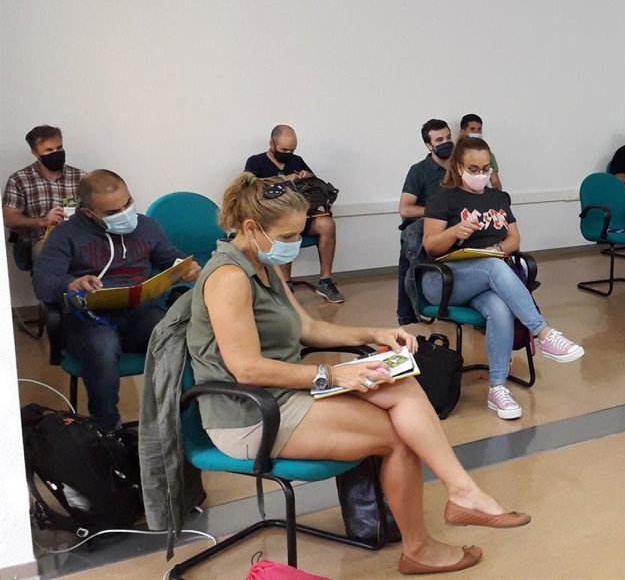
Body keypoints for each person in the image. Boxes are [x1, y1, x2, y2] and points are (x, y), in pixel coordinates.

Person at [188, 174, 526, 575]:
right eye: (289, 235)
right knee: (397, 437)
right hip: (249, 414)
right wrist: (332, 376)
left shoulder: (262, 265)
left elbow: (308, 328)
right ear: (250, 228)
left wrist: (374, 333)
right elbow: (247, 369)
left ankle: (462, 492)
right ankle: (420, 548)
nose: (295, 243)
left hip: (285, 390)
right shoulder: (228, 278)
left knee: (399, 383)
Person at [422, 137, 584, 420]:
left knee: (499, 308)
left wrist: (495, 250)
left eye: (486, 168)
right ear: (459, 167)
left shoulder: (498, 198)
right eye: (473, 169)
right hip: (444, 281)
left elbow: (514, 239)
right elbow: (430, 246)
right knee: (493, 267)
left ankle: (497, 388)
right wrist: (454, 232)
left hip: (483, 279)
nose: (481, 174)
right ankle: (543, 333)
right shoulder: (443, 198)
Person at [33, 169, 201, 429]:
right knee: (102, 344)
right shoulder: (65, 234)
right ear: (89, 213)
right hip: (87, 318)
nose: (124, 214)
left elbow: (171, 258)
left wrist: (186, 268)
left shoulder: (146, 226)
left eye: (127, 204)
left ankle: (179, 416)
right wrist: (71, 283)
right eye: (112, 212)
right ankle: (108, 427)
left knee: (175, 332)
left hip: (138, 312)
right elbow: (43, 282)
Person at [243, 124, 342, 303]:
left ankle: (326, 281)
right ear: (272, 144)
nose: (289, 153)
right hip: (272, 220)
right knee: (285, 226)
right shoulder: (255, 162)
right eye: (284, 150)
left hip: (303, 216)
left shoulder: (297, 161)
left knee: (327, 224)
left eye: (292, 150)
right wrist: (283, 179)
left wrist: (307, 175)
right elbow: (248, 187)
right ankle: (285, 283)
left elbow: (314, 183)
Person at [396, 119, 453, 324]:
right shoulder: (419, 170)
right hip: (424, 226)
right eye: (439, 140)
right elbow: (405, 209)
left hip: (454, 224)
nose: (446, 142)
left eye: (448, 137)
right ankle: (410, 313)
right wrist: (436, 214)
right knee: (415, 240)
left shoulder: (459, 167)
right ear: (429, 145)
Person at [3, 125, 85, 258]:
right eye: (49, 150)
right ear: (35, 153)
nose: (56, 153)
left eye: (59, 148)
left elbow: (96, 210)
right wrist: (43, 221)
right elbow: (9, 219)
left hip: (79, 238)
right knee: (52, 253)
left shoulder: (81, 177)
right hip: (44, 240)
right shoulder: (19, 180)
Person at [459, 114, 501, 189]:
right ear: (462, 132)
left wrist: (495, 194)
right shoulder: (455, 153)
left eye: (479, 129)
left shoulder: (488, 154)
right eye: (472, 129)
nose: (476, 133)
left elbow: (496, 182)